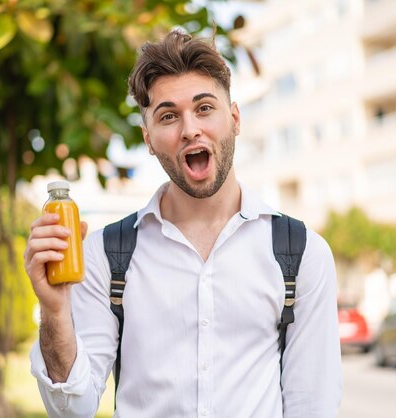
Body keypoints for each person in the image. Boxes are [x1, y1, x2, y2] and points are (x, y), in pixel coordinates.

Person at [25, 29, 342, 418]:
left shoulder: (301, 253)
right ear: (149, 139)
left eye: (205, 108)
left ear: (235, 118)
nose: (190, 128)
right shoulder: (106, 256)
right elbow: (72, 409)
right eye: (169, 116)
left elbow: (313, 406)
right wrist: (54, 311)